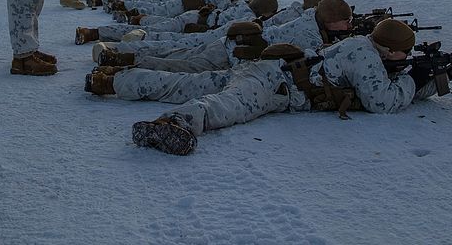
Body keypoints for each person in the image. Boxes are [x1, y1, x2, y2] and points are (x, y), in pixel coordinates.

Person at [130, 19, 443, 155]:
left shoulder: (362, 46)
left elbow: (384, 86)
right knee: (225, 106)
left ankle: (113, 79)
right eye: (406, 53)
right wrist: (415, 78)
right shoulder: (365, 56)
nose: (408, 58)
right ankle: (174, 123)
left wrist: (425, 80)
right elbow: (382, 102)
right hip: (272, 85)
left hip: (269, 71)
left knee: (183, 84)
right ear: (389, 51)